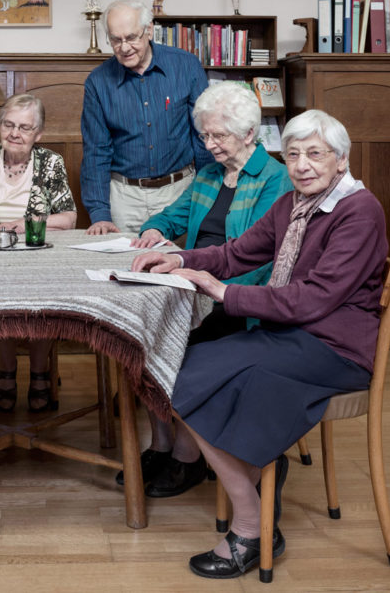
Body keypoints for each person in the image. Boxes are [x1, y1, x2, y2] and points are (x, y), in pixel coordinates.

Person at [131, 109, 387, 579]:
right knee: (175, 366)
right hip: (292, 335)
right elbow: (237, 252)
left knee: (193, 374)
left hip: (335, 348)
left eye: (315, 154)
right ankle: (255, 482)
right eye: (293, 155)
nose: (303, 165)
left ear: (341, 160)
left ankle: (251, 526)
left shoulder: (359, 210)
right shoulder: (293, 203)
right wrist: (178, 259)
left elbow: (315, 299)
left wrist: (224, 292)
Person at [121, 82, 292, 498]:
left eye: (219, 135)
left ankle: (187, 456)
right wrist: (155, 228)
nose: (210, 144)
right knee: (138, 340)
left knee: (177, 349)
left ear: (249, 134)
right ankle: (162, 446)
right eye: (205, 135)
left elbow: (262, 260)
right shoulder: (211, 175)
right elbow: (173, 214)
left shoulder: (275, 179)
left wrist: (212, 288)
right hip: (196, 287)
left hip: (238, 302)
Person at [0, 94, 77, 412]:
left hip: (38, 249)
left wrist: (25, 225)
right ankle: (6, 369)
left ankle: (39, 371)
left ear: (39, 133)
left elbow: (68, 218)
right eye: (9, 124)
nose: (15, 133)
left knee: (42, 295)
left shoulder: (50, 162)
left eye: (25, 127)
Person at [80, 0, 213, 236]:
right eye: (115, 40)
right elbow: (96, 151)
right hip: (124, 198)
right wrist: (100, 213)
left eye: (132, 37)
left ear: (149, 30)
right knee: (122, 269)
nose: (124, 47)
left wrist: (209, 193)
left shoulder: (186, 66)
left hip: (179, 193)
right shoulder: (98, 82)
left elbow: (203, 135)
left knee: (178, 267)